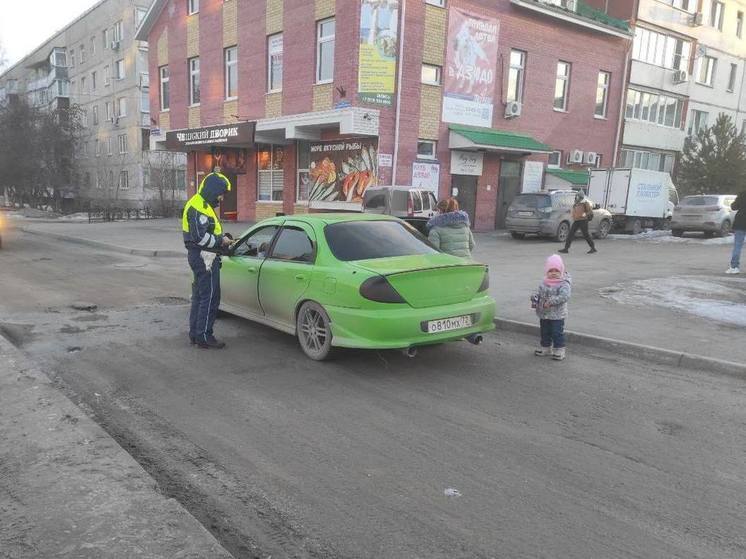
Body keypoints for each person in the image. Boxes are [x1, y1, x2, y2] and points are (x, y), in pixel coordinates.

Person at [182, 168, 233, 349]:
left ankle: (196, 334)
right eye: (220, 194)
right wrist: (222, 241)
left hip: (203, 257)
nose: (221, 198)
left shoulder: (202, 205)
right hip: (204, 258)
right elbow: (200, 238)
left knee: (200, 296)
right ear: (213, 190)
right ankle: (204, 336)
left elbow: (205, 233)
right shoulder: (198, 207)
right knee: (210, 298)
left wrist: (222, 237)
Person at [531, 254, 572, 361]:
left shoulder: (563, 284)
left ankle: (559, 350)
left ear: (561, 271)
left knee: (556, 332)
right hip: (544, 313)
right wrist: (535, 297)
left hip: (557, 314)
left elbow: (564, 296)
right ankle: (546, 347)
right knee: (545, 331)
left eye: (556, 271)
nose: (553, 273)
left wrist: (551, 301)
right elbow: (539, 293)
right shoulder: (544, 282)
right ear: (546, 271)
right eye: (550, 271)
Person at [726, 191, 745, 274]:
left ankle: (734, 267)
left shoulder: (743, 194)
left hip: (740, 222)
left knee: (737, 246)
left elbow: (733, 207)